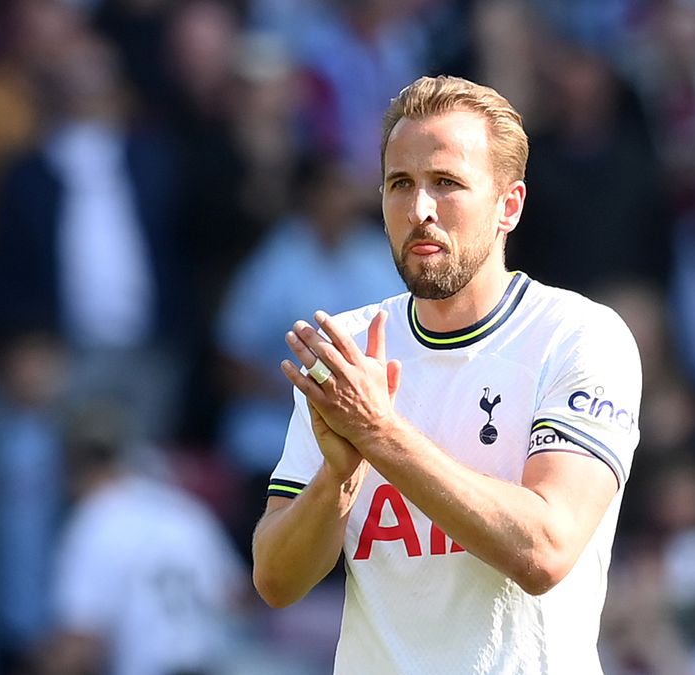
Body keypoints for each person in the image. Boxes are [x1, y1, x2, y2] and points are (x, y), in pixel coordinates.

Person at [251, 75, 643, 673]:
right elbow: (276, 581)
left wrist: (380, 435)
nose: (420, 210)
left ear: (508, 205)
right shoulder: (351, 350)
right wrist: (338, 480)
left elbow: (545, 549)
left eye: (447, 183)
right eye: (400, 184)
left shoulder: (578, 337)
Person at [48, 402, 246, 675]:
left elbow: (82, 640)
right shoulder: (185, 509)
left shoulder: (93, 521)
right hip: (209, 663)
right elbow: (237, 596)